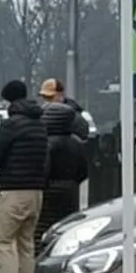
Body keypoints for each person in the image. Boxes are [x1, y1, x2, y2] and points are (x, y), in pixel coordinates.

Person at [0, 80, 49, 273]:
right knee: (26, 245)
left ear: (9, 99)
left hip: (13, 190)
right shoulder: (40, 124)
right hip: (35, 191)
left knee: (3, 242)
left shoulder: (11, 125)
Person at [35, 79, 92, 237]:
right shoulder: (75, 129)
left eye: (49, 97)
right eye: (44, 97)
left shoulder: (50, 132)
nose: (45, 101)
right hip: (70, 188)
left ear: (60, 95)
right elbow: (83, 170)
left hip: (53, 188)